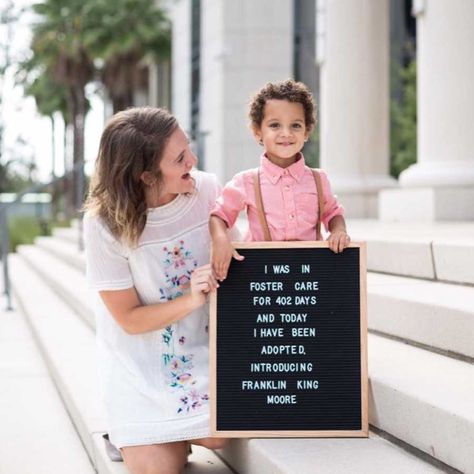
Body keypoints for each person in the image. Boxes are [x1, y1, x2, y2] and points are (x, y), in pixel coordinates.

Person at [83, 107, 228, 474]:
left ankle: (168, 436)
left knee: (221, 435)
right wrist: (191, 299)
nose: (192, 162)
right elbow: (128, 319)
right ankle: (136, 434)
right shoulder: (103, 224)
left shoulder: (208, 190)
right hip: (140, 365)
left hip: (202, 350)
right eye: (180, 158)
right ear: (145, 175)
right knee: (156, 471)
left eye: (188, 149)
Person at [210, 79, 351, 280]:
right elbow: (219, 215)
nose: (286, 133)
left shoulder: (319, 180)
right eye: (275, 125)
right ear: (257, 131)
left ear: (307, 131)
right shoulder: (246, 181)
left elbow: (333, 213)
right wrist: (220, 239)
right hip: (263, 278)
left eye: (295, 125)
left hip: (308, 276)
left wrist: (338, 231)